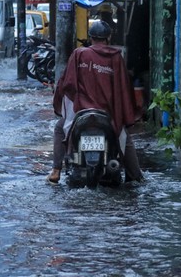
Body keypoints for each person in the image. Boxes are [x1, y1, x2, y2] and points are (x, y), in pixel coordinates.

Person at [47, 20, 144, 185]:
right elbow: (122, 89)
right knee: (124, 137)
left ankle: (56, 170)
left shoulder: (79, 54)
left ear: (90, 37)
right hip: (108, 113)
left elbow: (67, 83)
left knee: (59, 129)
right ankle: (136, 175)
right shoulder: (116, 57)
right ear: (108, 37)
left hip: (81, 110)